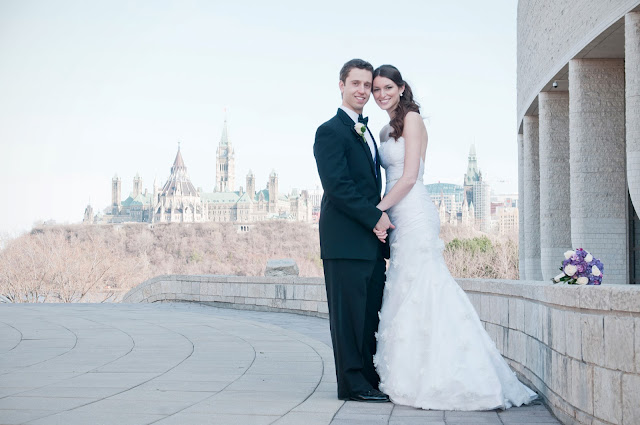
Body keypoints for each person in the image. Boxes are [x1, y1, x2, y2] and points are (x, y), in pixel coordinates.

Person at [371, 64, 538, 410]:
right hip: (396, 212)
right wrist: (385, 211)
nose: (381, 94)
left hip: (412, 210)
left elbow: (410, 176)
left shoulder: (412, 119)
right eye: (376, 89)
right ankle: (410, 372)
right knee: (405, 287)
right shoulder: (385, 129)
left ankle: (454, 374)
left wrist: (377, 211)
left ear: (401, 88)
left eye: (387, 87)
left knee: (427, 284)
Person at [313, 59, 393, 402]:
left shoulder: (366, 131)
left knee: (368, 315)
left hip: (370, 243)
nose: (362, 90)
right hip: (344, 241)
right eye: (355, 83)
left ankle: (368, 379)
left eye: (367, 85)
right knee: (347, 318)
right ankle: (351, 385)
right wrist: (375, 217)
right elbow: (338, 186)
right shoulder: (329, 131)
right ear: (342, 86)